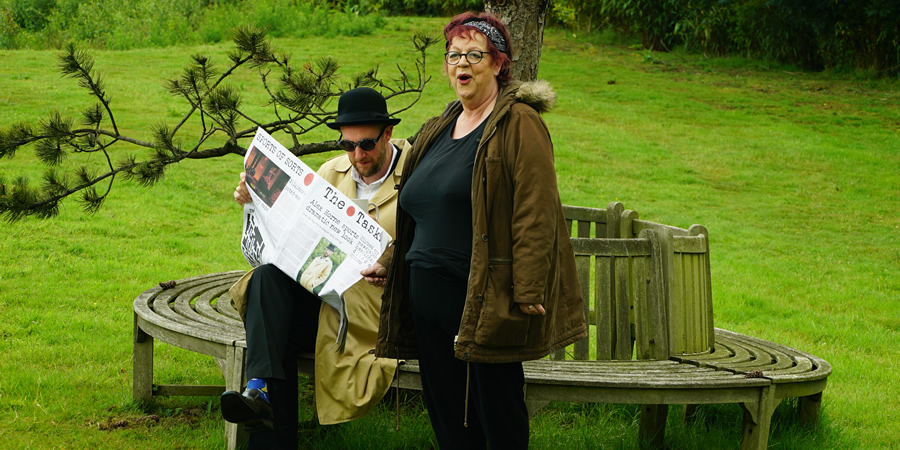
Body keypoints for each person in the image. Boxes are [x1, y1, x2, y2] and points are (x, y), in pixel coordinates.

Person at [362, 12, 587, 449]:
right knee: (448, 416)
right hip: (424, 300)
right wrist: (390, 261)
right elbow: (419, 210)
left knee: (495, 411)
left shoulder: (519, 122)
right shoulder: (441, 125)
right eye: (454, 54)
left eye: (473, 54)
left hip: (485, 300)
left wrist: (527, 288)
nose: (462, 64)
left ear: (498, 63)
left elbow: (536, 208)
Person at [222, 87, 412, 448]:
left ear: (387, 134)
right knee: (266, 280)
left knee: (274, 333)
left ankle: (261, 403)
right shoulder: (331, 172)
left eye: (367, 144)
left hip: (374, 311)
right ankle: (257, 391)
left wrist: (390, 262)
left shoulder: (415, 172)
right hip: (325, 298)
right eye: (347, 146)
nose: (357, 155)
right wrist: (253, 200)